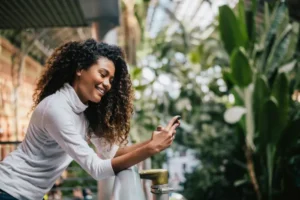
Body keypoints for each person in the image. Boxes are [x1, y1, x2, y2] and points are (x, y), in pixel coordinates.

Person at [0, 39, 180, 200]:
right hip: (9, 189)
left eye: (111, 79)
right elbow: (97, 169)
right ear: (80, 69)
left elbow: (111, 152)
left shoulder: (84, 110)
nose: (108, 84)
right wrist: (150, 148)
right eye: (103, 74)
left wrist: (151, 142)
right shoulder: (56, 109)